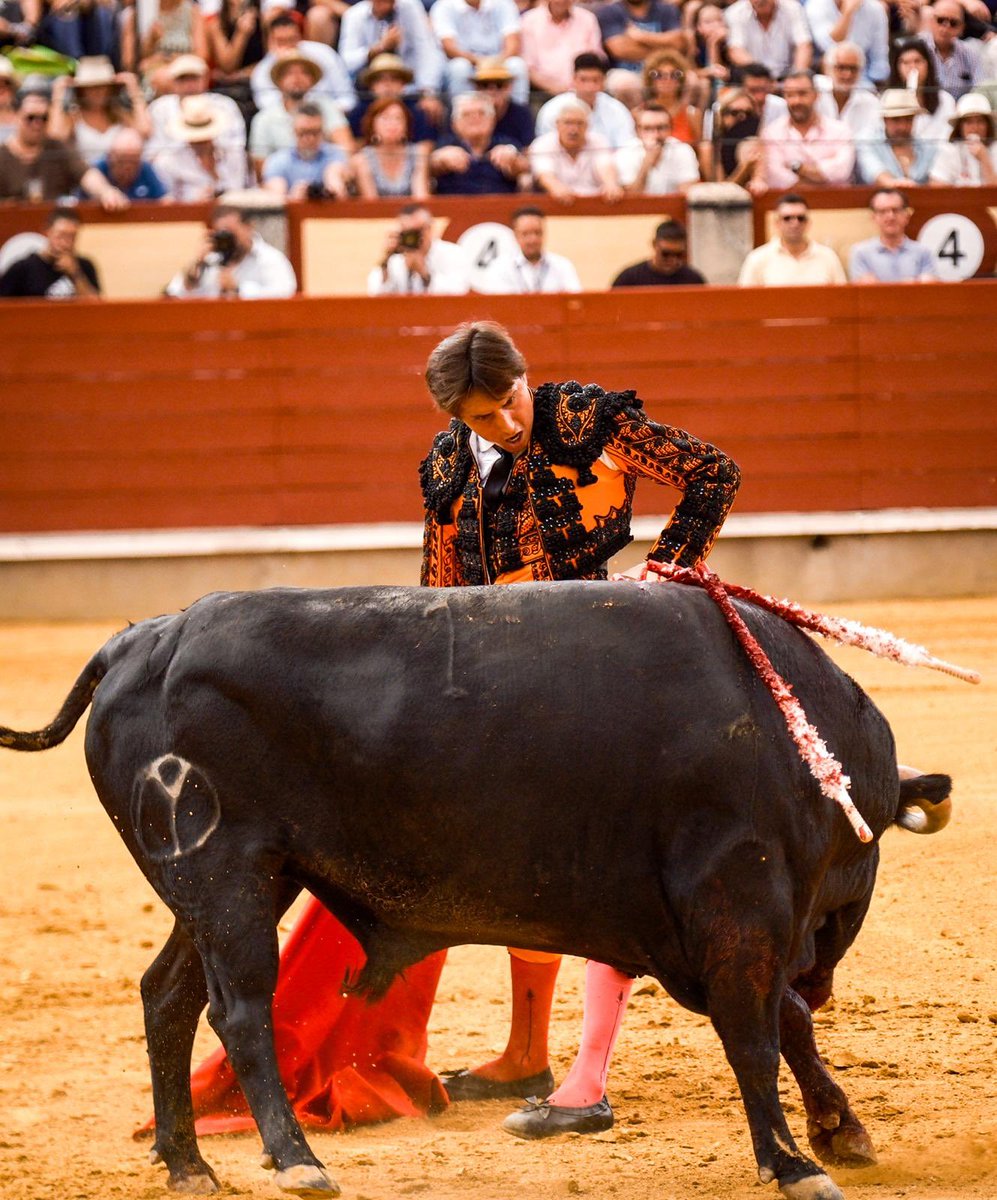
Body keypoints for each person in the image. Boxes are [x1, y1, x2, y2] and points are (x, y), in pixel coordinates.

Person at [420, 320, 739, 1135]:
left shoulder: (584, 419)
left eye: (509, 403)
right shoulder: (447, 464)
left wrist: (664, 570)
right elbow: (439, 591)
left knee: (605, 863)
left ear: (526, 376)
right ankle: (527, 1050)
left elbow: (711, 474)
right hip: (508, 688)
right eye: (481, 418)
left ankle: (584, 1080)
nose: (503, 426)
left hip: (608, 671)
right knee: (526, 868)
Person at [0, 88, 129, 207]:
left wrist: (106, 192)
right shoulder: (2, 155)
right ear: (16, 116)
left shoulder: (57, 148)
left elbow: (86, 174)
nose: (37, 124)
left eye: (44, 118)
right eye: (30, 118)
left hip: (55, 226)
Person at [248, 50, 352, 180]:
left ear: (312, 80)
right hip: (282, 187)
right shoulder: (264, 119)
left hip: (327, 184)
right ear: (279, 80)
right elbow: (261, 168)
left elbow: (346, 147)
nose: (297, 78)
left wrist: (335, 173)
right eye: (289, 73)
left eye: (304, 72)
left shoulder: (327, 107)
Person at [750, 69, 854, 194]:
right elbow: (777, 179)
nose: (796, 101)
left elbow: (841, 171)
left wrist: (798, 168)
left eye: (802, 94)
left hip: (835, 205)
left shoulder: (840, 130)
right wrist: (822, 180)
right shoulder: (771, 133)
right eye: (790, 95)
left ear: (816, 95)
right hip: (789, 205)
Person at [338, 0, 444, 122]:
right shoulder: (354, 15)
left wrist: (428, 91)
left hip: (407, 87)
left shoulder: (410, 7)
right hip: (367, 90)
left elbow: (426, 50)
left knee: (426, 112)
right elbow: (347, 62)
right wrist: (380, 47)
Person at [165, 203, 297, 298]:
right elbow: (174, 294)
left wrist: (238, 290)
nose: (227, 240)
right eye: (222, 235)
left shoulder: (270, 258)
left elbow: (285, 293)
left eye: (231, 233)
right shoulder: (209, 260)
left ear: (249, 228)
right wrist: (196, 267)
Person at [46, 56, 151, 166]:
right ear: (81, 90)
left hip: (119, 178)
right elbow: (55, 137)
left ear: (110, 88)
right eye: (91, 87)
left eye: (102, 86)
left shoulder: (118, 114)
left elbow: (144, 131)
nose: (98, 92)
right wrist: (58, 95)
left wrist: (134, 90)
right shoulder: (74, 117)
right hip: (86, 178)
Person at [250, 10, 356, 113]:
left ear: (300, 37)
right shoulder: (262, 71)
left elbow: (347, 98)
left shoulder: (325, 54)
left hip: (329, 122)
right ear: (270, 42)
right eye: (281, 41)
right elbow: (268, 108)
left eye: (292, 39)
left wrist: (324, 115)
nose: (288, 47)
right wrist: (282, 68)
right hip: (285, 125)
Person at [429, 0, 529, 106]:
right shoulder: (443, 6)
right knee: (459, 67)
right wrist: (479, 61)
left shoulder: (504, 3)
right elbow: (449, 48)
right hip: (468, 64)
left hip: (498, 63)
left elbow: (512, 44)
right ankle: (462, 114)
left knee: (517, 65)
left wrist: (495, 62)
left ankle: (519, 115)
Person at [737, 192, 847, 286]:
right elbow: (743, 302)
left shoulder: (828, 256)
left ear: (808, 223)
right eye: (787, 218)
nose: (795, 223)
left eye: (800, 218)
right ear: (777, 223)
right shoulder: (757, 258)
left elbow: (843, 298)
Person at [155, 93, 249, 201]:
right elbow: (166, 202)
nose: (201, 141)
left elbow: (249, 191)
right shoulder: (168, 161)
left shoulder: (235, 155)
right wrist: (195, 203)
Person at [429, 91, 527, 193]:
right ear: (454, 124)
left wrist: (513, 159)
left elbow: (526, 168)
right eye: (466, 114)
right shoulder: (445, 144)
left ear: (493, 120)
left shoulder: (505, 142)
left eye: (481, 113)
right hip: (453, 205)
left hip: (500, 205)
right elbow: (427, 168)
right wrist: (440, 159)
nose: (475, 118)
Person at [534, 52, 635, 150]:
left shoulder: (617, 110)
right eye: (583, 80)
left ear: (604, 81)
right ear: (574, 79)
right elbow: (545, 147)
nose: (589, 87)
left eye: (595, 80)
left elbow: (625, 147)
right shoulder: (552, 110)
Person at [528, 98, 623, 201]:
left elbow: (605, 166)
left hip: (594, 201)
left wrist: (611, 184)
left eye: (579, 123)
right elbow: (544, 174)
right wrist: (555, 187)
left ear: (587, 126)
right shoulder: (542, 143)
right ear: (557, 125)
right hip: (558, 203)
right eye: (568, 123)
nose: (574, 130)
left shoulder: (599, 141)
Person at [367, 201, 471, 295]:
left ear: (429, 229)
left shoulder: (453, 253)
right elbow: (375, 293)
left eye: (417, 232)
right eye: (407, 233)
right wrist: (386, 260)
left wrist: (425, 274)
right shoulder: (396, 258)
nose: (412, 238)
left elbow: (459, 292)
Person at [0, 204, 101, 297]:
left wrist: (75, 274)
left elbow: (96, 308)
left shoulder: (84, 266)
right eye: (61, 235)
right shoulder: (23, 269)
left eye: (72, 237)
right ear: (47, 232)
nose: (66, 243)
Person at [477, 204, 582, 293]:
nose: (532, 240)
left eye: (537, 233)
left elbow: (574, 300)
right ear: (515, 235)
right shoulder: (500, 267)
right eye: (526, 234)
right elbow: (498, 306)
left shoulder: (562, 265)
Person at [347, 51, 439, 145]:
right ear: (371, 85)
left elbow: (426, 145)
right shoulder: (359, 113)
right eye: (380, 79)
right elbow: (352, 146)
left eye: (394, 79)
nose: (388, 84)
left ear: (403, 84)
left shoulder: (417, 111)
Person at [261, 101, 350, 198]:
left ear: (323, 131)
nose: (310, 138)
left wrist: (331, 189)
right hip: (292, 210)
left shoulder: (334, 155)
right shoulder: (277, 161)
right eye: (303, 132)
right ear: (293, 131)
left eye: (315, 132)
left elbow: (335, 177)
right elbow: (277, 197)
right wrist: (294, 196)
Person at [848, 186, 938, 282]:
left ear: (906, 216)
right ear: (873, 217)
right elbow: (865, 291)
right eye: (882, 211)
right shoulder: (861, 253)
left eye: (896, 210)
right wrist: (914, 281)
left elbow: (928, 289)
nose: (890, 216)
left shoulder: (923, 252)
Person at [520, 0, 603, 99]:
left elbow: (595, 60)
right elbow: (528, 67)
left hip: (584, 89)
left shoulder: (588, 18)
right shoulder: (529, 20)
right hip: (544, 92)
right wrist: (553, 87)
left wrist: (580, 85)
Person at [352, 95, 430, 197]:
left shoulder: (418, 153)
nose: (392, 124)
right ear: (372, 125)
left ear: (406, 126)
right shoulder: (362, 159)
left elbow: (421, 196)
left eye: (398, 118)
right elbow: (370, 202)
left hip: (412, 211)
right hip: (377, 212)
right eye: (385, 118)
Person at [856, 89, 938, 187]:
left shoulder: (927, 147)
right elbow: (875, 172)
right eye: (896, 120)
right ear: (884, 120)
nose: (902, 127)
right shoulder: (869, 142)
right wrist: (896, 184)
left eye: (908, 120)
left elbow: (938, 179)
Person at [615, 101, 700, 193]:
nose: (655, 135)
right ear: (638, 131)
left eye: (661, 128)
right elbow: (630, 197)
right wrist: (646, 164)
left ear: (671, 129)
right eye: (648, 128)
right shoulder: (626, 152)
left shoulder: (683, 150)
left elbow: (686, 194)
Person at [887, 37, 956, 147]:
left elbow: (949, 135)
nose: (912, 67)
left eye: (917, 61)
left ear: (928, 65)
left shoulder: (945, 100)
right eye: (905, 62)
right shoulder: (888, 101)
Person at [595, 0, 687, 81]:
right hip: (626, 72)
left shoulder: (666, 9)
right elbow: (619, 50)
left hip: (665, 70)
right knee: (622, 83)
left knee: (691, 80)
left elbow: (678, 43)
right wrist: (664, 46)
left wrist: (641, 36)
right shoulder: (609, 12)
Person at [805, 0, 889, 87]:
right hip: (827, 78)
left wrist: (876, 85)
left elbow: (879, 57)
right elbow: (830, 47)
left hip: (864, 80)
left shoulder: (876, 9)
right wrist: (848, 12)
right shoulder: (816, 5)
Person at [723, 0, 812, 79]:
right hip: (754, 80)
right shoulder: (734, 12)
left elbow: (804, 45)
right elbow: (735, 50)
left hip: (787, 78)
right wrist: (762, 76)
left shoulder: (793, 8)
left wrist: (797, 77)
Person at [611, 217, 706, 284]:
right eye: (666, 254)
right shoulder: (629, 279)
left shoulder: (693, 280)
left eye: (678, 255)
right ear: (654, 244)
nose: (672, 260)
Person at [929, 90, 997, 185]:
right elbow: (936, 188)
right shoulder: (949, 151)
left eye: (980, 121)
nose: (975, 127)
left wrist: (984, 159)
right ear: (959, 126)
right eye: (969, 122)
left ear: (988, 125)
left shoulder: (995, 150)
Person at [815, 43, 881, 139]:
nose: (847, 74)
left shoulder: (870, 102)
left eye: (853, 69)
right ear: (827, 69)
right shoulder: (814, 93)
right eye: (841, 68)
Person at [924, 0, 984, 101]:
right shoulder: (918, 48)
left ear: (962, 28)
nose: (946, 27)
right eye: (940, 20)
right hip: (927, 111)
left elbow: (980, 89)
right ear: (931, 21)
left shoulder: (970, 53)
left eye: (953, 23)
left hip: (961, 113)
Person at [641, 47, 701, 144]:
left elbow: (703, 149)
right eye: (658, 75)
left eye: (674, 75)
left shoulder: (692, 114)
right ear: (650, 80)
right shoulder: (639, 113)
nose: (667, 80)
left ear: (681, 80)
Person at [471, 56, 534, 148]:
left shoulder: (522, 113)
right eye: (484, 85)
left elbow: (527, 150)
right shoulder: (465, 114)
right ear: (476, 88)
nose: (491, 90)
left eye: (499, 84)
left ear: (509, 87)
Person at [93, 126, 169, 200]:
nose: (127, 167)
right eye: (122, 161)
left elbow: (164, 201)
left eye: (133, 162)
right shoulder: (96, 171)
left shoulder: (145, 169)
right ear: (110, 157)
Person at [703, 86, 761, 183]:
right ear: (722, 115)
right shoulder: (711, 148)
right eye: (735, 112)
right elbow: (721, 192)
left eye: (748, 113)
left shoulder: (762, 140)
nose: (742, 118)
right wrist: (745, 168)